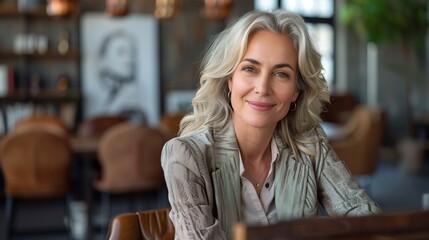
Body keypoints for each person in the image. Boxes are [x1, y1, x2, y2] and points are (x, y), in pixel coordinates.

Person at [161, 9, 382, 239]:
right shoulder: (185, 156)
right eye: (250, 69)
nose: (263, 88)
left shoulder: (309, 143)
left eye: (281, 74)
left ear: (296, 91)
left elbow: (365, 217)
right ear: (230, 79)